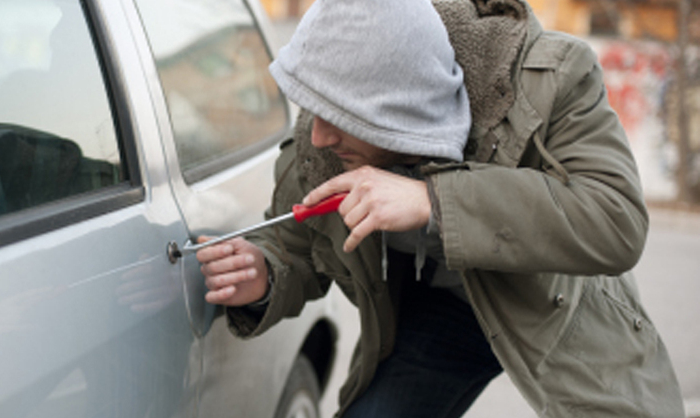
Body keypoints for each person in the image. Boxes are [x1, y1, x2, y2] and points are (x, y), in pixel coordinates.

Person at [196, 0, 685, 417]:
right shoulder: (323, 137)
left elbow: (615, 218)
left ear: (396, 108)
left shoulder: (551, 79)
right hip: (442, 313)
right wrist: (265, 272)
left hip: (557, 303)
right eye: (314, 110)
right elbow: (298, 244)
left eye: (340, 119)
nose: (319, 135)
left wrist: (433, 201)